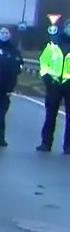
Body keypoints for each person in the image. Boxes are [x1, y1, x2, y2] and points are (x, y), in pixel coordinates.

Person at [42, 20, 70, 151]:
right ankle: (46, 143)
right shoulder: (53, 44)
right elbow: (43, 61)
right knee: (50, 115)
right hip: (54, 84)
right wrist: (46, 78)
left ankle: (68, 146)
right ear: (65, 28)